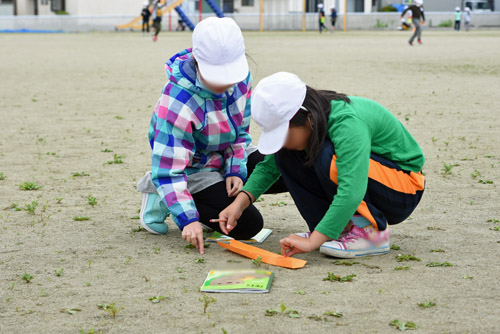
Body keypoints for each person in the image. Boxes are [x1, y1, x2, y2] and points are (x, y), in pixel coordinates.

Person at [218, 72, 426, 259]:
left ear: (306, 117)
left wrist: (312, 241)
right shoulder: (314, 121)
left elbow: (352, 188)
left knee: (326, 155)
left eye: (283, 134)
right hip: (379, 179)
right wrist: (239, 204)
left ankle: (371, 233)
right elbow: (268, 167)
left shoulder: (346, 122)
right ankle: (338, 229)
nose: (282, 141)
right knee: (285, 156)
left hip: (403, 188)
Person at [136, 18, 286, 255]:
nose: (225, 83)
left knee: (285, 166)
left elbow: (240, 132)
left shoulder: (241, 79)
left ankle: (204, 192)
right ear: (197, 61)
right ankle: (160, 193)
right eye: (216, 74)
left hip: (225, 153)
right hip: (193, 166)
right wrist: (188, 219)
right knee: (248, 225)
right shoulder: (178, 102)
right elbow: (169, 169)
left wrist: (235, 169)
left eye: (229, 74)